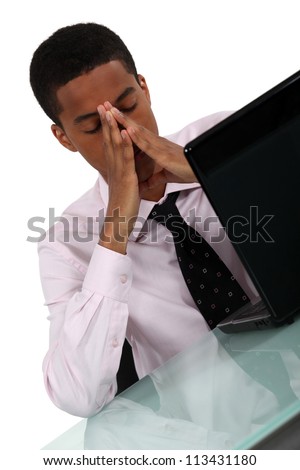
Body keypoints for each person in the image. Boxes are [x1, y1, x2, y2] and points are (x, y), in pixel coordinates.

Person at [29, 22, 258, 418]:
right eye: (93, 126)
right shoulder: (65, 243)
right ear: (65, 138)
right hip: (220, 440)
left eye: (129, 106)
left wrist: (209, 171)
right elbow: (76, 395)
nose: (122, 132)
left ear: (144, 87)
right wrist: (116, 224)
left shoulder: (228, 137)